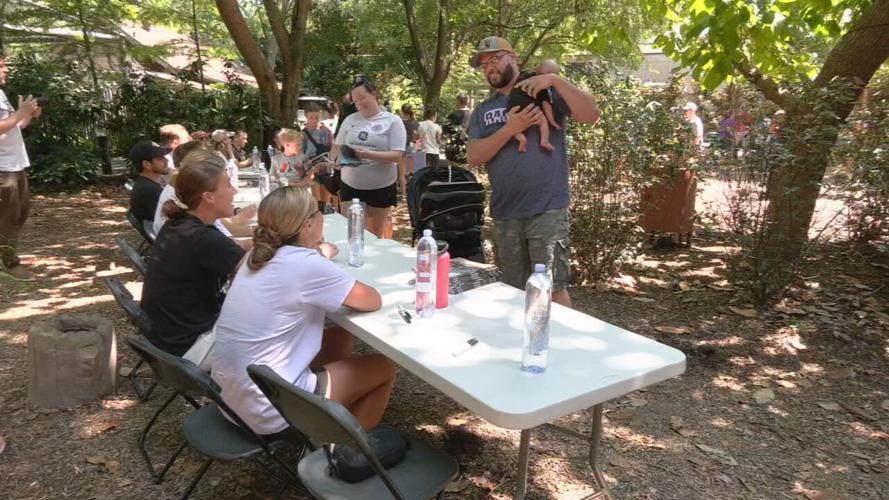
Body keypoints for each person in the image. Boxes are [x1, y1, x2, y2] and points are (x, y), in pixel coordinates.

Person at [211, 186, 395, 435]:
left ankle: (332, 415)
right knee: (383, 367)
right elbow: (372, 300)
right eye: (319, 211)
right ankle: (346, 453)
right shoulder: (306, 264)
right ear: (308, 225)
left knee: (340, 331)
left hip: (231, 399)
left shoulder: (255, 256)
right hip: (270, 411)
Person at [466, 36, 599, 307]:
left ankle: (562, 348)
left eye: (496, 58)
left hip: (547, 208)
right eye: (484, 64)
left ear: (513, 57)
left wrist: (555, 81)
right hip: (505, 212)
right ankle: (523, 345)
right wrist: (510, 129)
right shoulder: (483, 109)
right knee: (513, 291)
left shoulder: (543, 89)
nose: (489, 67)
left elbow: (590, 115)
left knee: (553, 288)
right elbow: (473, 157)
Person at [140, 150, 245, 365]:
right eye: (228, 185)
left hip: (164, 340)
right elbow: (263, 274)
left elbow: (237, 252)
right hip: (187, 348)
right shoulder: (203, 238)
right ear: (208, 196)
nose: (234, 191)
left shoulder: (180, 224)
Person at [334, 76, 406, 239]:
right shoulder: (350, 120)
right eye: (356, 101)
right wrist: (335, 161)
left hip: (380, 186)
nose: (360, 104)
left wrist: (364, 154)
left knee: (374, 235)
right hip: (350, 184)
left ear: (374, 94)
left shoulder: (393, 121)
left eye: (362, 98)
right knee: (352, 233)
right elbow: (337, 148)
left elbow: (397, 155)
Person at [152, 140, 255, 247]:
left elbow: (225, 234)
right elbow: (233, 245)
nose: (235, 190)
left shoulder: (183, 211)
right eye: (228, 184)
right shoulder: (200, 235)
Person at [0, 55, 41, 280]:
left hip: (15, 164)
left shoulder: (1, 94)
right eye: (1, 66)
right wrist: (19, 113)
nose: (6, 70)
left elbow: (14, 126)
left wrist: (27, 116)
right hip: (2, 167)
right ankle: (10, 264)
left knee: (18, 213)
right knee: (8, 216)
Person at [128, 140, 171, 228]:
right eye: (160, 158)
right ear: (147, 164)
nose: (166, 160)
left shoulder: (144, 185)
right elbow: (169, 223)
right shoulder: (149, 190)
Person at [302, 104, 335, 210]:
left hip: (326, 168)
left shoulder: (326, 131)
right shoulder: (303, 134)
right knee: (317, 202)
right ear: (306, 116)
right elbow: (301, 153)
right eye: (311, 117)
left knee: (326, 203)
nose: (314, 120)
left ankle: (327, 219)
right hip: (312, 169)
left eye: (316, 117)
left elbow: (332, 148)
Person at [400, 104, 419, 189]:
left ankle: (403, 185)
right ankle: (411, 186)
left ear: (402, 111)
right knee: (411, 168)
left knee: (402, 169)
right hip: (412, 145)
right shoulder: (415, 122)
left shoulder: (399, 121)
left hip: (402, 145)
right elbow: (417, 135)